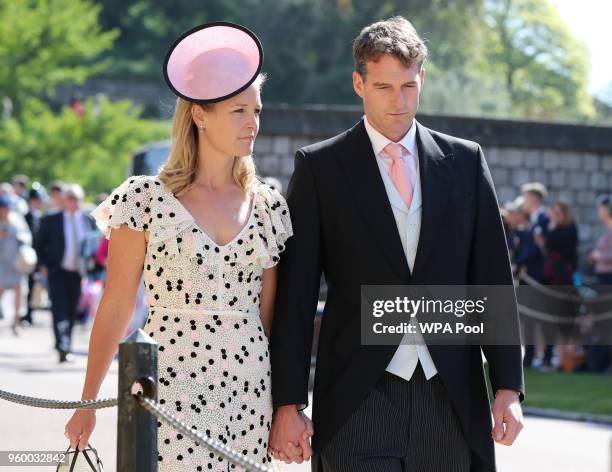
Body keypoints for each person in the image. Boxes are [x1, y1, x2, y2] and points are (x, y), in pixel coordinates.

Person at [268, 16, 524, 472]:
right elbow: (297, 294)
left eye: (408, 85)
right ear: (358, 83)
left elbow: (491, 277)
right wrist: (288, 402)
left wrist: (507, 388)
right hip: (357, 395)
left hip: (449, 393)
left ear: (422, 78)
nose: (399, 101)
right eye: (384, 87)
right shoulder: (320, 168)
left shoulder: (465, 162)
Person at [64, 22, 294, 471]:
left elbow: (269, 318)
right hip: (170, 385)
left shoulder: (268, 204)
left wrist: (283, 407)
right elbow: (115, 308)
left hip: (250, 390)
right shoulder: (143, 200)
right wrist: (87, 401)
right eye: (238, 111)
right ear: (199, 115)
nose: (253, 123)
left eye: (257, 110)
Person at [34, 184, 96, 363]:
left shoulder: (87, 220)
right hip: (57, 271)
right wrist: (43, 264)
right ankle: (62, 345)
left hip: (78, 273)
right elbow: (38, 243)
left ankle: (66, 343)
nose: (74, 202)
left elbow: (93, 244)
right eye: (70, 198)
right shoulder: (51, 219)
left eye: (77, 198)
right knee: (59, 308)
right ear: (63, 200)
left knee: (71, 309)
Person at [0, 195, 26, 335]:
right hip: (1, 262)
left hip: (15, 261)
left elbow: (26, 235)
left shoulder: (16, 220)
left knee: (18, 291)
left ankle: (16, 323)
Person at [22, 188, 44, 326]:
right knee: (23, 286)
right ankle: (23, 314)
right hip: (25, 255)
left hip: (36, 256)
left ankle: (29, 313)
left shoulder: (41, 218)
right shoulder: (24, 217)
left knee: (33, 286)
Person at [589, 194, 612, 285]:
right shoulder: (607, 228)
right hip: (604, 275)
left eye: (600, 209)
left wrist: (599, 256)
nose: (598, 212)